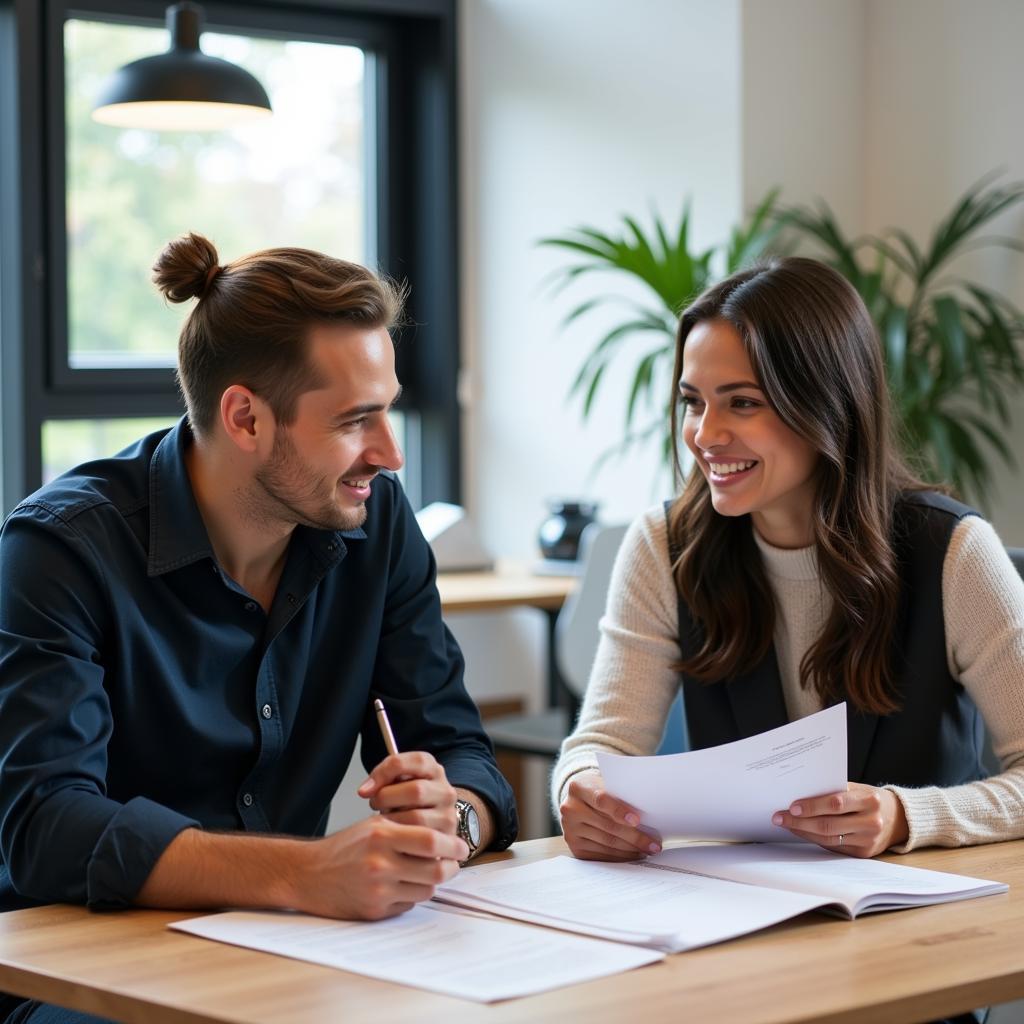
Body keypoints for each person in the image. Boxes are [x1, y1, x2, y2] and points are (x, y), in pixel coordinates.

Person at [0, 233, 517, 1023]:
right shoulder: (60, 550)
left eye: (390, 410)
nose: (390, 454)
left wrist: (453, 820)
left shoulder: (376, 529)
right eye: (356, 420)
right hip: (78, 969)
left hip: (289, 953)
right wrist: (305, 873)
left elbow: (463, 753)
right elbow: (47, 829)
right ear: (244, 417)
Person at [553, 256, 1024, 867]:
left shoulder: (954, 552)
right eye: (694, 403)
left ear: (827, 406)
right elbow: (603, 744)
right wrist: (581, 787)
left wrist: (908, 816)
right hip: (746, 906)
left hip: (920, 909)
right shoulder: (663, 546)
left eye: (742, 403)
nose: (705, 434)